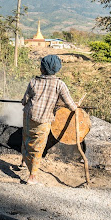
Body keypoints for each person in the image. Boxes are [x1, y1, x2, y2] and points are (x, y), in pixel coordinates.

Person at [21, 55, 78, 185]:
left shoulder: (33, 82)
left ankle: (23, 161)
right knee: (38, 146)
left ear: (42, 69)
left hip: (29, 116)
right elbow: (70, 105)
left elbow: (24, 101)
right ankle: (32, 177)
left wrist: (24, 101)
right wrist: (76, 108)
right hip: (44, 120)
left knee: (26, 138)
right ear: (57, 69)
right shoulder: (60, 84)